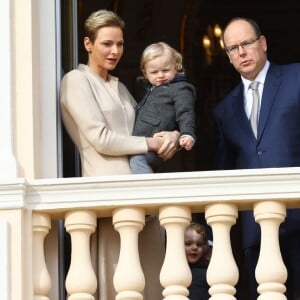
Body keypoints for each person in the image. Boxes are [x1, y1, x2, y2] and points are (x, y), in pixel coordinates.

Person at [60, 9, 180, 300]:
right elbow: (100, 139)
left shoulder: (121, 87)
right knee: (119, 286)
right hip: (110, 199)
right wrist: (150, 143)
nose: (115, 51)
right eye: (107, 44)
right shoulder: (76, 81)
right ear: (88, 44)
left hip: (143, 196)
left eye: (120, 44)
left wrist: (169, 137)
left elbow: (142, 134)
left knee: (153, 285)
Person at [213, 17, 300, 300]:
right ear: (228, 57)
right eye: (233, 48)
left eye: (247, 43)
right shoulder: (224, 110)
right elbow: (223, 173)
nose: (241, 52)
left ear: (262, 43)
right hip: (256, 232)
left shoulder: (296, 77)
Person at [129, 42, 197, 173]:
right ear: (145, 73)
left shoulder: (180, 88)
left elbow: (186, 112)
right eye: (154, 72)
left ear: (176, 67)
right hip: (139, 144)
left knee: (137, 160)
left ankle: (147, 191)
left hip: (157, 145)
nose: (160, 75)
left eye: (165, 70)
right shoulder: (148, 90)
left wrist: (187, 133)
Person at [184, 222, 212, 300]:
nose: (194, 248)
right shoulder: (176, 271)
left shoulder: (207, 271)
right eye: (188, 244)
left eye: (199, 244)